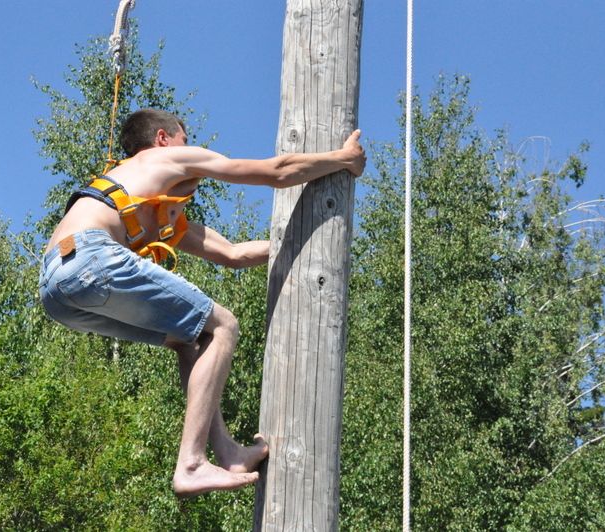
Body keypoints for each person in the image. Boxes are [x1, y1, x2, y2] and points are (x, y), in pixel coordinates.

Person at [39, 108, 366, 497]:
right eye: (184, 136)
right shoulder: (164, 158)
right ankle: (191, 463)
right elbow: (276, 171)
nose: (188, 145)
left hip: (59, 290)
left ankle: (227, 453)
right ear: (163, 138)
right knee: (223, 325)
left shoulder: (146, 207)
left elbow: (232, 254)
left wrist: (309, 247)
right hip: (91, 258)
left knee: (186, 339)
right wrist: (342, 159)